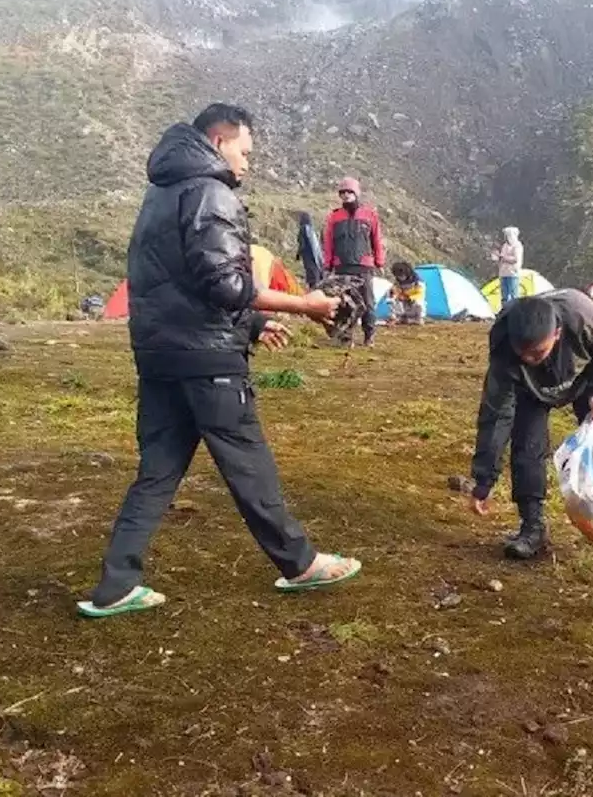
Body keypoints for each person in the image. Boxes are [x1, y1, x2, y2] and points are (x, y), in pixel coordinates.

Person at [80, 103, 361, 619]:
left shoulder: (159, 195)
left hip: (160, 356)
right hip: (208, 362)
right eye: (244, 151)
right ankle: (299, 563)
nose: (247, 163)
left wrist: (253, 323)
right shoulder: (211, 193)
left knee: (159, 469)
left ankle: (116, 584)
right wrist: (308, 305)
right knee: (248, 461)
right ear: (218, 140)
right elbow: (224, 283)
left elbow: (175, 284)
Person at [468, 290, 593, 560]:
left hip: (586, 378)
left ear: (557, 333)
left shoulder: (586, 319)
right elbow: (496, 414)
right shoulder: (503, 340)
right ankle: (532, 527)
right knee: (526, 445)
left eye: (537, 352)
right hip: (531, 389)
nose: (528, 359)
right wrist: (483, 480)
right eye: (522, 353)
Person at [323, 177, 385, 347]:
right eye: (342, 192)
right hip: (342, 266)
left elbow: (377, 240)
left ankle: (369, 336)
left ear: (356, 193)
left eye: (349, 191)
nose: (346, 195)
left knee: (367, 303)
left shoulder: (370, 215)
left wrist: (379, 261)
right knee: (345, 304)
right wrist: (328, 264)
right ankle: (346, 337)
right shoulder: (334, 217)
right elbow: (328, 242)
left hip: (363, 266)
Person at [492, 226, 524, 306]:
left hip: (513, 274)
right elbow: (501, 258)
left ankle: (515, 312)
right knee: (504, 296)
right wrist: (497, 257)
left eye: (507, 235)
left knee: (514, 296)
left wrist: (503, 258)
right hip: (503, 273)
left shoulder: (517, 245)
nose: (506, 237)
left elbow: (516, 259)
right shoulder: (505, 245)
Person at [295, 211, 323, 289]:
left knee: (311, 275)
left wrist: (298, 254)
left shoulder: (303, 229)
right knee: (315, 273)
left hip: (308, 256)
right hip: (314, 256)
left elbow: (302, 244)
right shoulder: (311, 230)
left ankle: (313, 290)